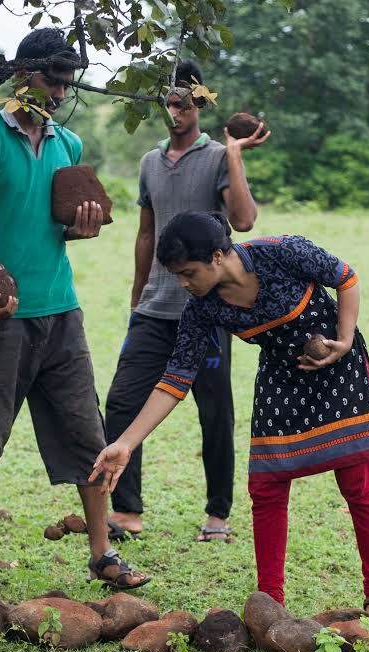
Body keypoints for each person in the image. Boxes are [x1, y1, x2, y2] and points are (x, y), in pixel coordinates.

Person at [89, 212, 369, 620]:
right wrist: (126, 442)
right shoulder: (202, 307)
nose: (183, 283)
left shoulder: (282, 252)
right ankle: (270, 602)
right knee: (266, 487)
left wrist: (345, 337)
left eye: (188, 272)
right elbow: (177, 378)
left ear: (217, 256)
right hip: (281, 376)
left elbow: (347, 277)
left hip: (338, 365)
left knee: (357, 482)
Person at [0, 26, 148, 590]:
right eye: (51, 79)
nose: (59, 92)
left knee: (87, 431)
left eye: (66, 81)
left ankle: (102, 554)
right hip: (0, 318)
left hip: (62, 314)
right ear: (19, 75)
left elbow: (64, 226)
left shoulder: (68, 145)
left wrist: (85, 230)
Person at [100, 61, 268, 544]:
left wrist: (234, 155)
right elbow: (146, 232)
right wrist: (137, 294)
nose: (174, 110)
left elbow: (245, 220)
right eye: (167, 102)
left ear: (200, 102)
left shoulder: (216, 157)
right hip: (155, 307)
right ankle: (127, 510)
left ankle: (218, 514)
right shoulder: (150, 162)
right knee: (123, 401)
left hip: (209, 308)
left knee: (213, 409)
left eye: (182, 101)